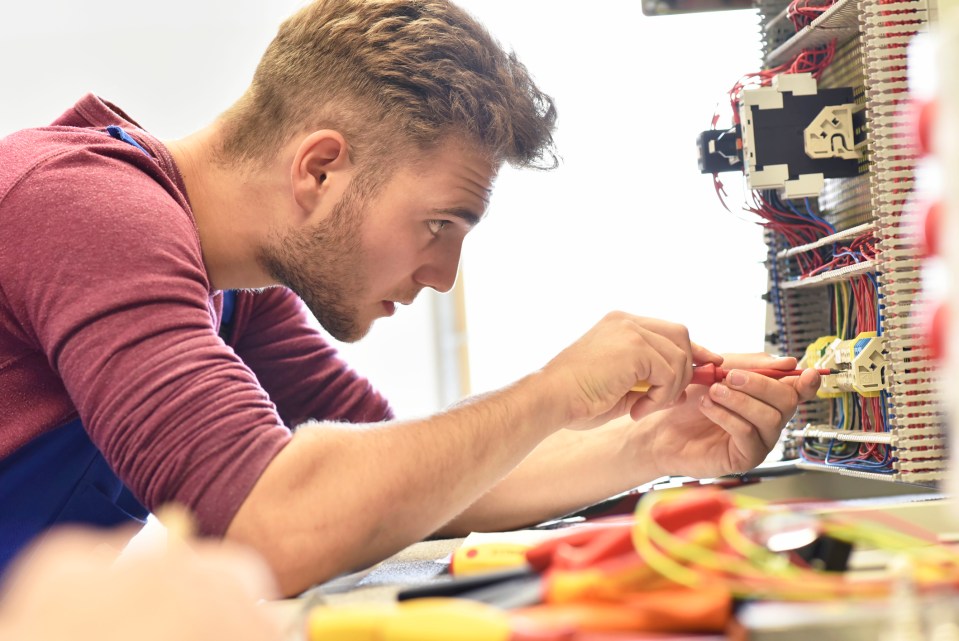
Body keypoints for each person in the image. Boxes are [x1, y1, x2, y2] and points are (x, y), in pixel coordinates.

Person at [0, 0, 820, 596]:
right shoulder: (87, 209)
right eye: (437, 223)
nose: (442, 274)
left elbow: (393, 493)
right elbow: (272, 522)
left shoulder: (230, 291)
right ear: (319, 169)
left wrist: (653, 445)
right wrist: (554, 391)